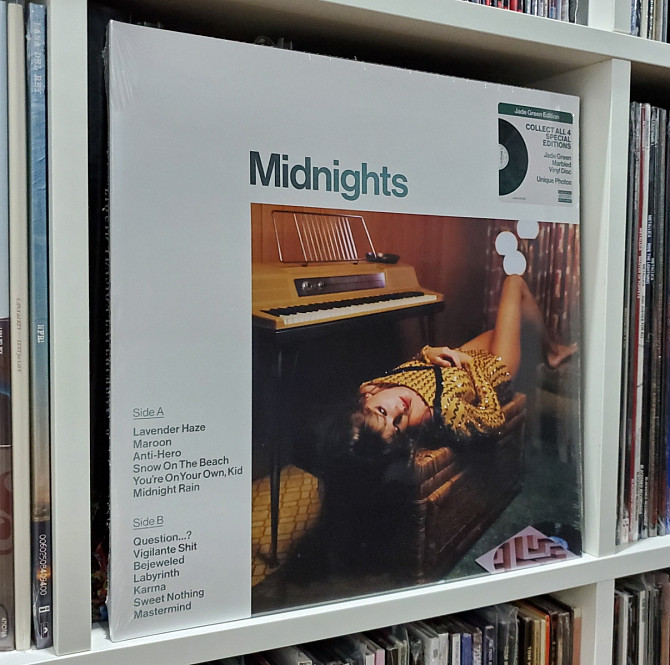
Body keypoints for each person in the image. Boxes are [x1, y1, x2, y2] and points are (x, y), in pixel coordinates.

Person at [352, 274, 577, 450]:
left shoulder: (376, 385)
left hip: (461, 360)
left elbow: (414, 367)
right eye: (397, 425)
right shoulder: (437, 414)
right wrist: (472, 366)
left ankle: (552, 352)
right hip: (493, 371)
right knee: (514, 283)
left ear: (367, 399)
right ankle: (552, 353)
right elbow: (492, 421)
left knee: (516, 325)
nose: (399, 410)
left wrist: (428, 352)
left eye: (383, 411)